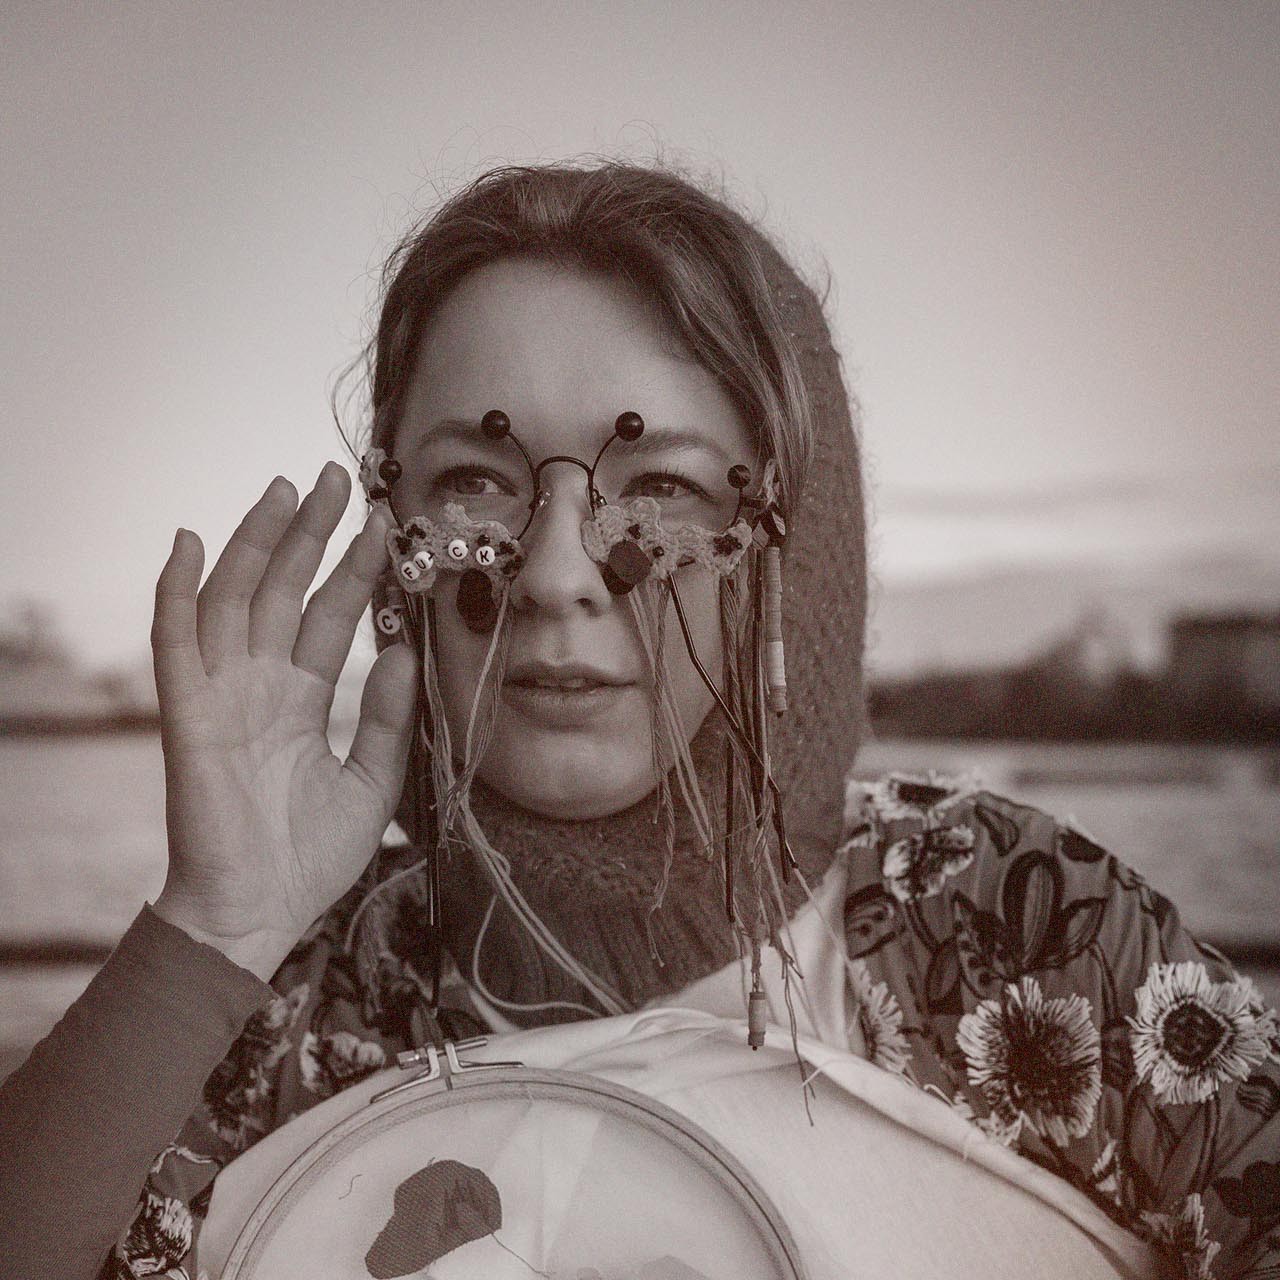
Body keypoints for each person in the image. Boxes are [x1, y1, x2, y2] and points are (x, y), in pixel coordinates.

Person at [1, 161, 1277, 1280]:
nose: (556, 574)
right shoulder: (275, 1013)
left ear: (795, 542)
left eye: (659, 486)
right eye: (474, 481)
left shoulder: (1018, 929)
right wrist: (211, 929)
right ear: (397, 543)